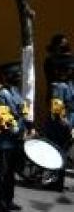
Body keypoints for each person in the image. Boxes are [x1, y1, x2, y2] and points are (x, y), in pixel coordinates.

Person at [0, 62, 32, 212]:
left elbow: (23, 108)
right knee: (3, 171)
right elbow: (2, 116)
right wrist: (16, 129)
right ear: (5, 76)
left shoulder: (14, 90)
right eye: (15, 74)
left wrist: (29, 125)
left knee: (11, 171)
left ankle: (9, 199)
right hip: (5, 139)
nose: (18, 76)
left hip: (16, 138)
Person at [44, 55, 73, 191]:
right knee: (57, 152)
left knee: (62, 152)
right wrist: (66, 123)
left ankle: (58, 182)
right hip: (59, 125)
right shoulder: (58, 86)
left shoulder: (69, 84)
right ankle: (56, 182)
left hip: (68, 121)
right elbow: (57, 108)